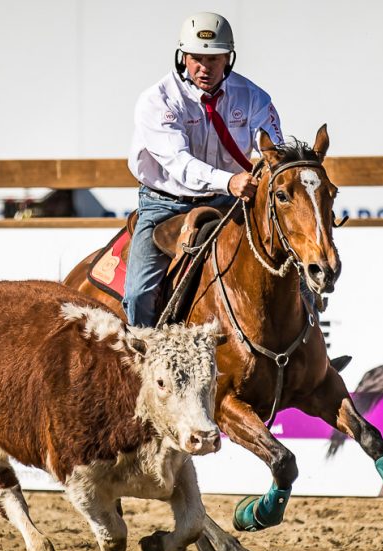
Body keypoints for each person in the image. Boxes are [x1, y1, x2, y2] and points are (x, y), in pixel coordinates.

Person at [124, 11, 284, 327]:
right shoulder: (158, 100)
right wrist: (230, 182)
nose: (203, 67)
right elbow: (178, 163)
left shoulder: (254, 97)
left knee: (290, 260)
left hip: (229, 201)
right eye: (195, 57)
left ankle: (309, 347)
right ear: (182, 57)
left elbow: (272, 152)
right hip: (164, 204)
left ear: (229, 58)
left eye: (214, 58)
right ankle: (143, 359)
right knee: (139, 293)